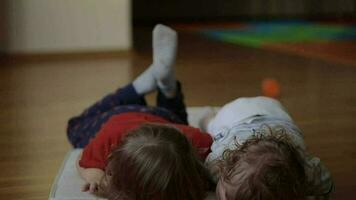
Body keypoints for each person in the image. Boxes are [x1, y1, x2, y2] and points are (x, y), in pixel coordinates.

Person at [66, 24, 213, 200]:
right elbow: (81, 158)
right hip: (119, 117)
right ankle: (137, 87)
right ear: (111, 165)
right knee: (75, 127)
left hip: (168, 122)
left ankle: (167, 88)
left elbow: (211, 140)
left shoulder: (193, 141)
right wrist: (94, 175)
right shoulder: (108, 140)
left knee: (179, 119)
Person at [201, 97, 334, 200]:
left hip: (273, 109)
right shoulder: (217, 161)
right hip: (233, 115)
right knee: (211, 127)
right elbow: (326, 182)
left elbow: (327, 183)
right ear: (224, 170)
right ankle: (209, 118)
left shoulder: (303, 172)